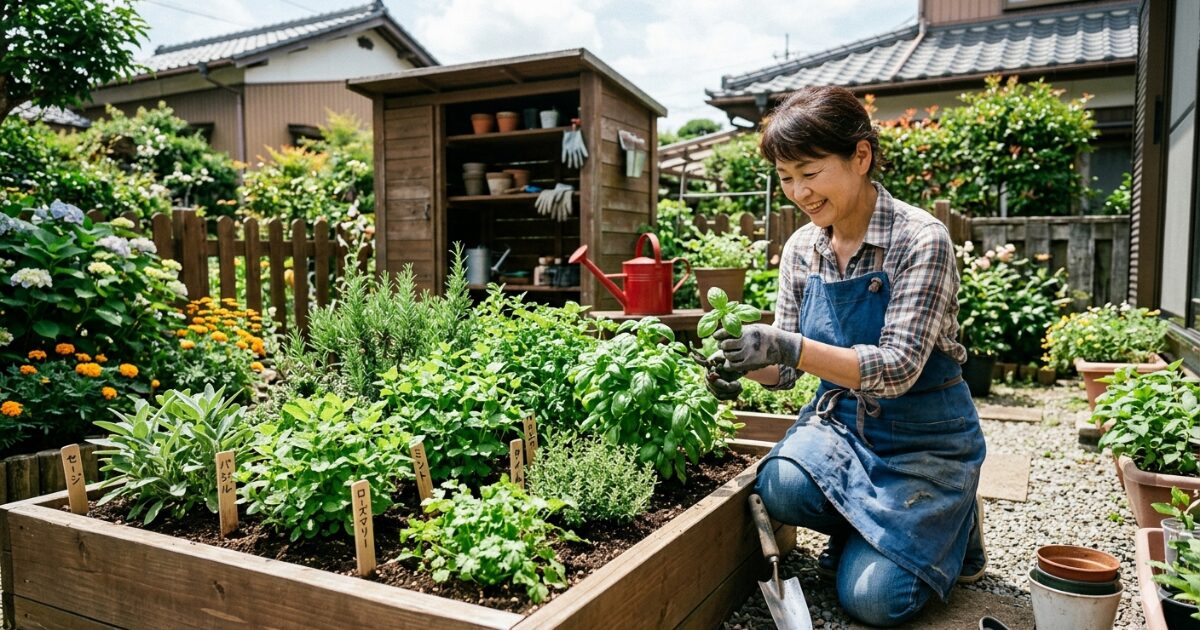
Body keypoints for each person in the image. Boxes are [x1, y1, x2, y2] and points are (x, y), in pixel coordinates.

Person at [707, 86, 987, 627]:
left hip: (921, 438)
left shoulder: (919, 239)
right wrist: (744, 365)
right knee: (780, 486)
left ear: (861, 156)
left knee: (874, 602)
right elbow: (785, 370)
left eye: (810, 172)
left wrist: (787, 344)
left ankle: (955, 525)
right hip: (844, 427)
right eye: (786, 178)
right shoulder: (801, 249)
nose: (799, 193)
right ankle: (882, 530)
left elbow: (899, 367)